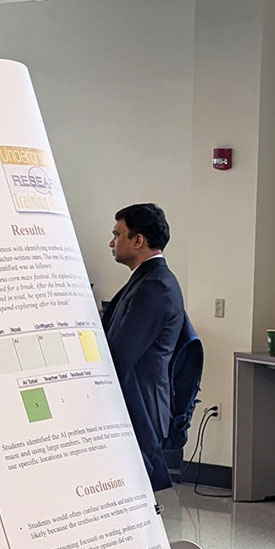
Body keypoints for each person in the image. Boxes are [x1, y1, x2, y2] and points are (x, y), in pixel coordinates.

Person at [103, 203, 186, 491]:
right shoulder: (147, 281)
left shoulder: (154, 287)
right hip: (136, 402)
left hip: (141, 406)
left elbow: (120, 354)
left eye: (118, 234)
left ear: (138, 240)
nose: (111, 242)